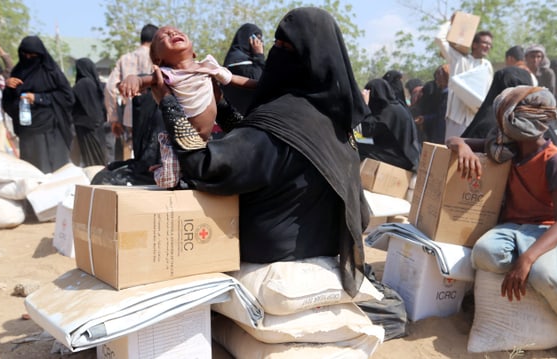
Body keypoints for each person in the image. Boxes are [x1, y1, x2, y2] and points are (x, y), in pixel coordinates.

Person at [148, 7, 370, 297]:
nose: (274, 52)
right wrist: (222, 107)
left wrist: (168, 103)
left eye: (282, 46)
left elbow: (206, 166)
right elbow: (255, 144)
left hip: (272, 258)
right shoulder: (333, 120)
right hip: (327, 250)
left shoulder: (284, 117)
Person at [446, 85, 557, 359]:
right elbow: (453, 140)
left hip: (547, 229)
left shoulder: (555, 160)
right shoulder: (507, 149)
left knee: (544, 274)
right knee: (484, 255)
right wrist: (461, 147)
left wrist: (528, 259)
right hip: (511, 229)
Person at [120, 25, 257, 148]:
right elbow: (142, 81)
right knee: (172, 174)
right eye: (164, 36)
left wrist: (263, 85)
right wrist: (132, 79)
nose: (172, 34)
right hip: (179, 144)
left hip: (207, 140)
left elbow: (235, 79)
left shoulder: (208, 66)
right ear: (157, 59)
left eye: (177, 31)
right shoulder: (166, 74)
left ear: (193, 53)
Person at [1, 36, 74, 173]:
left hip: (49, 129)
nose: (28, 58)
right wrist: (8, 88)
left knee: (49, 170)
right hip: (27, 129)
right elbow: (8, 103)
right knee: (30, 170)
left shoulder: (50, 72)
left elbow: (67, 97)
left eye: (32, 55)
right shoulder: (18, 71)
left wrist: (38, 98)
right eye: (25, 54)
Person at [104, 24, 158, 162]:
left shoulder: (125, 59)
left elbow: (110, 88)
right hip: (155, 113)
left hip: (131, 113)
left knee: (131, 151)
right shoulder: (158, 57)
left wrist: (114, 119)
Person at [435, 19, 494, 139]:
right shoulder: (459, 59)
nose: (487, 46)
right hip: (456, 117)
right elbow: (439, 39)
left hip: (475, 118)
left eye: (489, 44)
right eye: (484, 43)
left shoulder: (487, 66)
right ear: (474, 44)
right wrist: (450, 22)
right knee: (452, 152)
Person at [357, 78, 420, 172]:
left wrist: (364, 106)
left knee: (356, 147)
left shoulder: (389, 111)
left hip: (401, 158)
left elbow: (365, 131)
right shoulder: (395, 106)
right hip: (403, 155)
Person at [221, 23, 265, 116]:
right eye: (257, 38)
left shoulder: (239, 58)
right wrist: (259, 55)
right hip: (244, 117)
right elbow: (260, 82)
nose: (260, 43)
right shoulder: (237, 61)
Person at [71, 58, 108, 167]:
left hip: (86, 126)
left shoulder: (82, 84)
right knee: (99, 155)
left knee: (91, 158)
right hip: (98, 125)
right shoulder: (96, 83)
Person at [414, 64, 449, 145]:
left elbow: (443, 116)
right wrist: (425, 118)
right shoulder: (441, 93)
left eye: (440, 75)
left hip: (444, 134)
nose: (437, 78)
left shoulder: (450, 95)